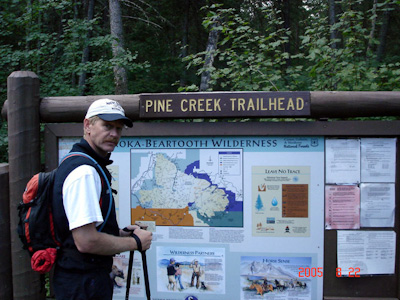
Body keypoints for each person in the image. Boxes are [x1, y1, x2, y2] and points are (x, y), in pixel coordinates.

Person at [52, 98, 153, 300]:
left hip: (79, 280)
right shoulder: (85, 172)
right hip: (83, 284)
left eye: (118, 128)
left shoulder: (82, 163)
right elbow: (86, 241)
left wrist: (120, 233)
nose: (114, 134)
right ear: (87, 125)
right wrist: (135, 242)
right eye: (107, 126)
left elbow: (82, 230)